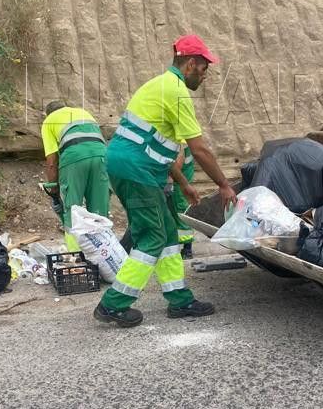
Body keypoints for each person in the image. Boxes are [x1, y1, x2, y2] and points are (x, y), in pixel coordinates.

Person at [94, 34, 237, 328]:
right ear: (190, 64)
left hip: (134, 166)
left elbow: (157, 145)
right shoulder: (177, 92)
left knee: (168, 232)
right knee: (152, 236)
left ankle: (179, 299)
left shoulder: (159, 85)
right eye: (203, 67)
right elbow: (199, 149)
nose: (205, 74)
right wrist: (224, 185)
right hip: (137, 170)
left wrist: (183, 183)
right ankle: (113, 305)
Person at [41, 101, 109, 251]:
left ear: (48, 113)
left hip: (74, 157)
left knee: (72, 210)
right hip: (101, 156)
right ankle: (104, 255)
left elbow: (52, 162)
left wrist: (54, 191)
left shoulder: (49, 121)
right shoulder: (84, 113)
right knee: (99, 211)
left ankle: (75, 257)